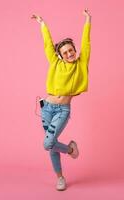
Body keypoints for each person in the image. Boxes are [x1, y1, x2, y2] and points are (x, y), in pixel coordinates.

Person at [31, 9, 91, 191]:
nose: (69, 54)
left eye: (71, 50)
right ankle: (60, 178)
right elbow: (48, 45)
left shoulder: (81, 64)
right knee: (52, 145)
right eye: (65, 52)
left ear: (75, 50)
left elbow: (86, 43)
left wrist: (88, 21)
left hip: (62, 110)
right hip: (46, 107)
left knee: (48, 143)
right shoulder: (55, 63)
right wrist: (42, 24)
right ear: (60, 55)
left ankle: (72, 151)